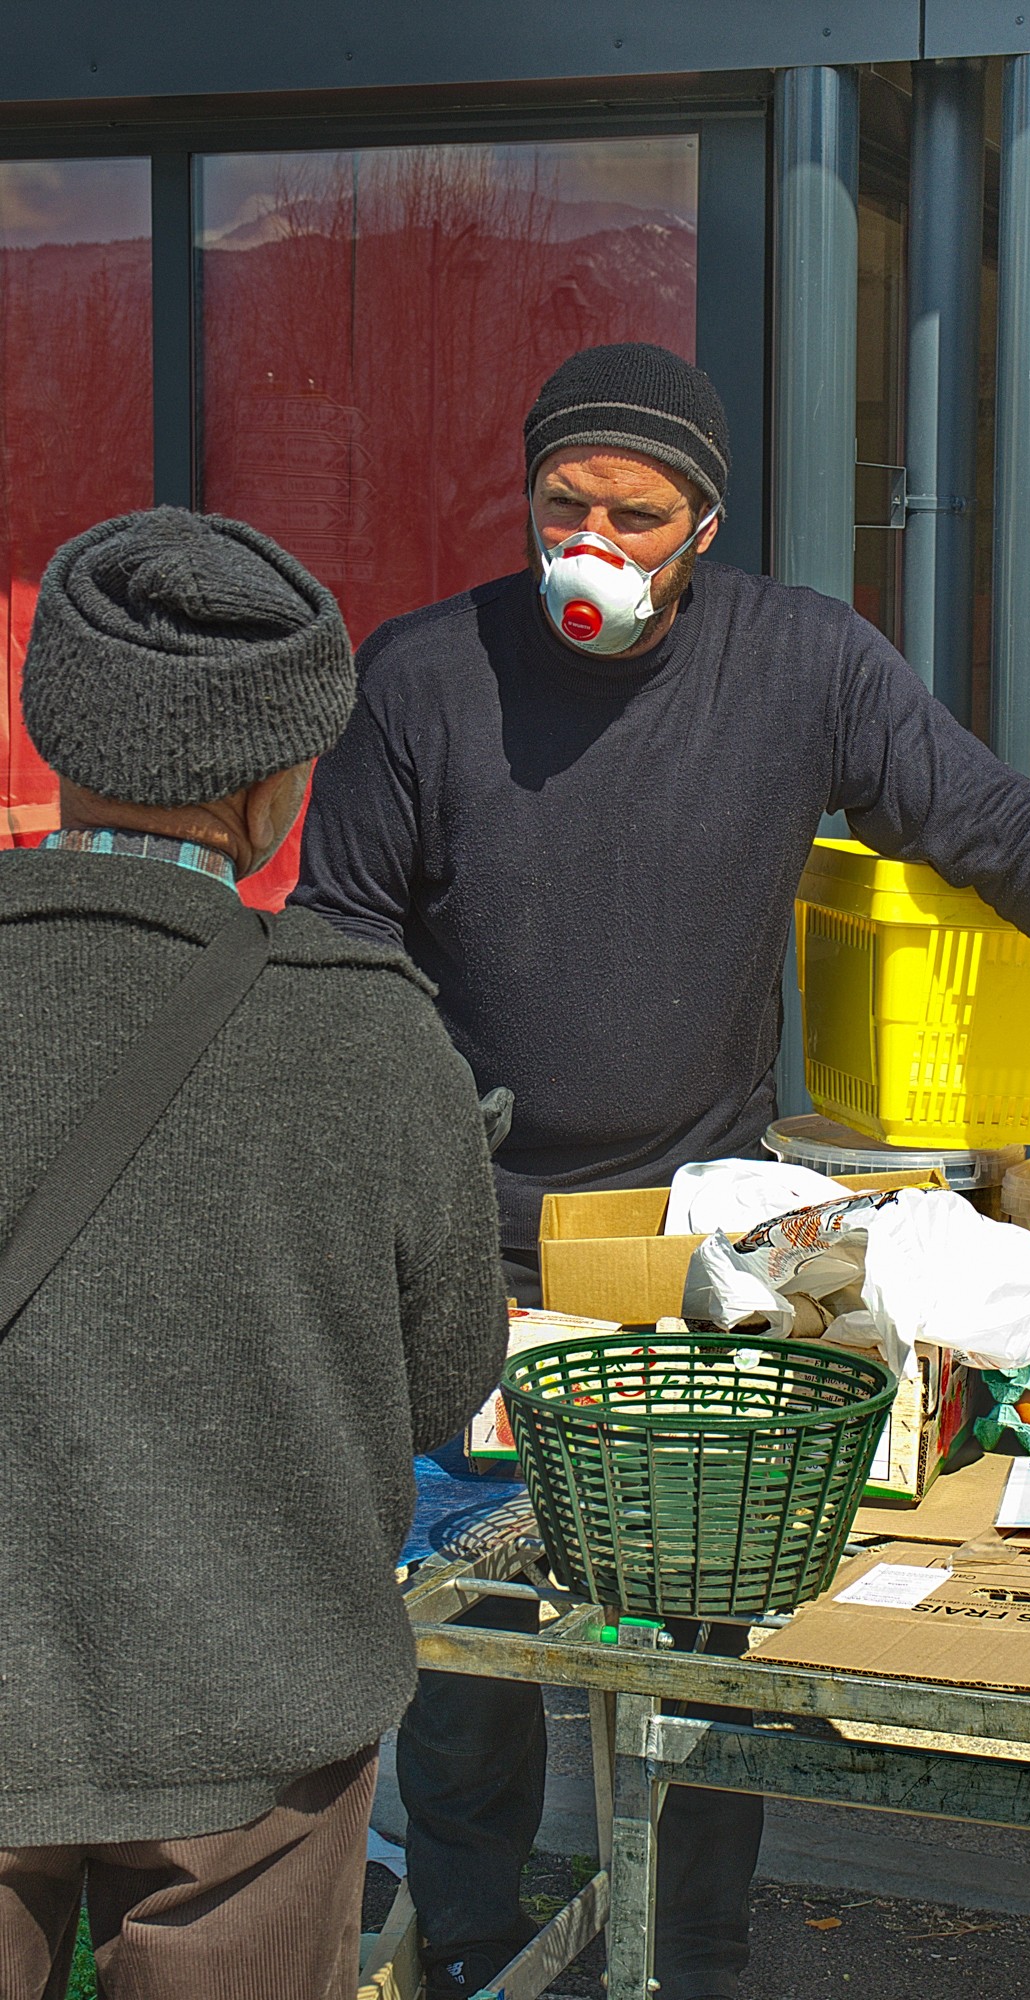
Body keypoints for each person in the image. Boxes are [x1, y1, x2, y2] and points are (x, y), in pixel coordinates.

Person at [292, 342, 1030, 2000]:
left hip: (692, 1256)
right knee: (465, 1668)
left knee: (702, 1647)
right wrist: (396, 1136)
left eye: (636, 511)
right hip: (464, 1248)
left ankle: (689, 1963)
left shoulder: (800, 665)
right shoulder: (422, 681)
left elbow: (997, 828)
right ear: (525, 495)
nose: (590, 543)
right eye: (562, 504)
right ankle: (472, 1953)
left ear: (704, 524)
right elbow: (336, 941)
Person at [0, 508, 507, 2000]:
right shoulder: (368, 1030)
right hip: (253, 1716)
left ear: (51, 727)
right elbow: (441, 1382)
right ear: (277, 785)